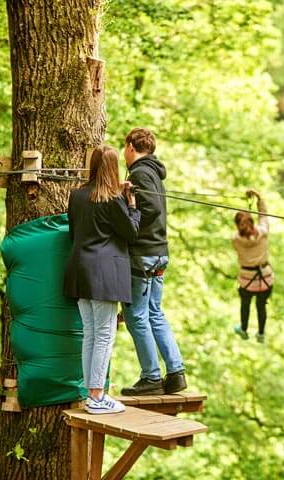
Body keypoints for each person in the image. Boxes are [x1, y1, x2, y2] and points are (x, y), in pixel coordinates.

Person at [64, 145, 141, 414]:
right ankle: (97, 397)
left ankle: (92, 394)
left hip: (79, 270)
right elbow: (131, 232)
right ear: (113, 168)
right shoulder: (113, 200)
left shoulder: (76, 196)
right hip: (104, 275)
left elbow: (74, 232)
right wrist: (132, 204)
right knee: (104, 334)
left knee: (91, 334)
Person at [121, 127, 187, 396]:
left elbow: (149, 209)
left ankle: (151, 377)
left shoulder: (139, 173)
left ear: (130, 147)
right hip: (159, 251)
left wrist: (129, 213)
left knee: (135, 315)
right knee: (154, 313)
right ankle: (176, 371)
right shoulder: (154, 173)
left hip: (143, 253)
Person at [232, 189, 274, 343]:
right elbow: (263, 215)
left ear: (238, 226)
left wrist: (244, 217)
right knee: (261, 306)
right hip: (265, 279)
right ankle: (261, 334)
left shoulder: (235, 239)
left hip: (247, 281)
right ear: (252, 222)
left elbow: (242, 232)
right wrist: (258, 197)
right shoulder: (263, 232)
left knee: (245, 305)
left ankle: (243, 329)